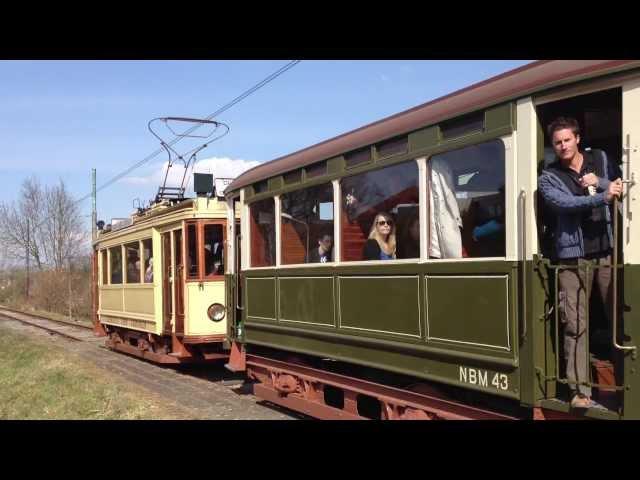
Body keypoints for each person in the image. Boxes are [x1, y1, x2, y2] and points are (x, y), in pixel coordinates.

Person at [538, 116, 623, 410]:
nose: (562, 146)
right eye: (557, 142)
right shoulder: (548, 177)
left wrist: (599, 183)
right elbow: (564, 205)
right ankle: (579, 391)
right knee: (575, 325)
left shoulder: (599, 158)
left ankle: (625, 387)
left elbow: (620, 185)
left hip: (606, 252)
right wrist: (601, 197)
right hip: (572, 258)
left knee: (617, 321)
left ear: (578, 139)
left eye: (567, 140)